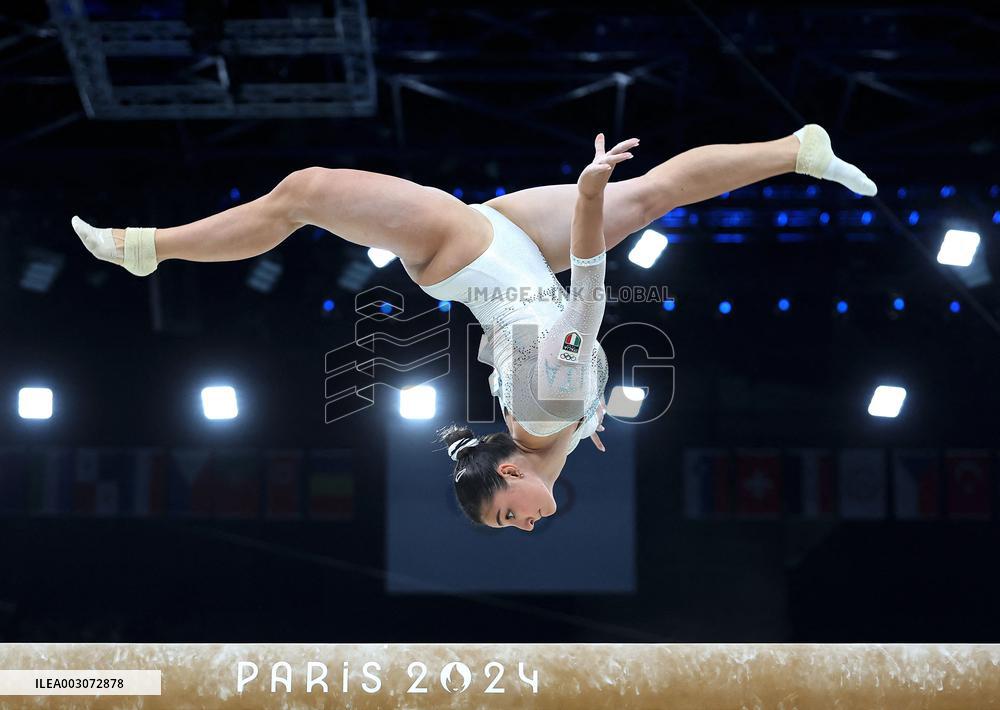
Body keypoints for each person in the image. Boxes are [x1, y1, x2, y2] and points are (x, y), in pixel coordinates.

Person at [71, 124, 876, 531]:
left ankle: (151, 251)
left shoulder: (549, 413)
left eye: (503, 518)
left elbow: (591, 297)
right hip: (513, 249)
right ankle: (799, 150)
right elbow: (586, 295)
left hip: (467, 253)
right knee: (654, 196)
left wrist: (593, 196)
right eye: (508, 521)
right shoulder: (558, 419)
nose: (520, 527)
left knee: (305, 190)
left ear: (513, 473)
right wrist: (596, 200)